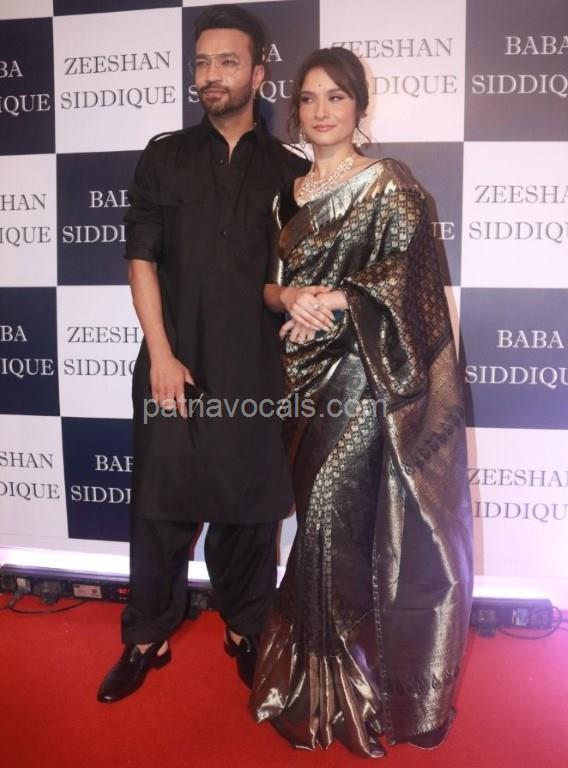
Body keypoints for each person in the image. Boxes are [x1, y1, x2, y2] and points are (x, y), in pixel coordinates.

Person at [249, 47, 473, 758]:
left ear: (360, 107)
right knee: (321, 524)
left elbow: (411, 277)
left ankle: (360, 690)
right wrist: (292, 296)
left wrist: (337, 297)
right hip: (299, 379)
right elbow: (266, 285)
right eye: (309, 99)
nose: (321, 112)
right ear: (295, 110)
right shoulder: (286, 195)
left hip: (364, 378)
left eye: (336, 98)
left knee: (334, 522)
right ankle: (313, 685)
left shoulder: (389, 184)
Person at [97, 4, 309, 704]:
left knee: (250, 509)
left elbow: (292, 277)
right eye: (202, 62)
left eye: (227, 62)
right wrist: (159, 353)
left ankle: (245, 630)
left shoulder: (291, 170)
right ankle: (146, 638)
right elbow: (140, 259)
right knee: (160, 507)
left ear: (258, 73)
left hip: (255, 367)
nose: (211, 75)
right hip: (174, 363)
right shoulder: (163, 156)